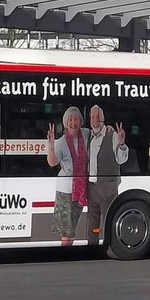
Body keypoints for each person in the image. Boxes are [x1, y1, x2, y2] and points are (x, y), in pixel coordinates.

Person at [86, 105, 129, 245]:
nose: (95, 121)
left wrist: (122, 144)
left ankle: (108, 248)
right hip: (92, 188)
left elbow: (121, 159)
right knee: (92, 225)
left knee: (108, 224)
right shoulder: (88, 137)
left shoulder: (112, 135)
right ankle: (91, 250)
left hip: (108, 189)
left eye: (98, 117)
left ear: (103, 119)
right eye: (92, 117)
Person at [46, 105, 89, 246]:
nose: (73, 123)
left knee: (72, 229)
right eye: (70, 120)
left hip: (81, 190)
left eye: (76, 119)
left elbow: (99, 133)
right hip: (66, 191)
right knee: (67, 232)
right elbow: (52, 162)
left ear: (80, 121)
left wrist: (109, 129)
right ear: (66, 123)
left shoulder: (86, 134)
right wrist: (51, 146)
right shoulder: (61, 142)